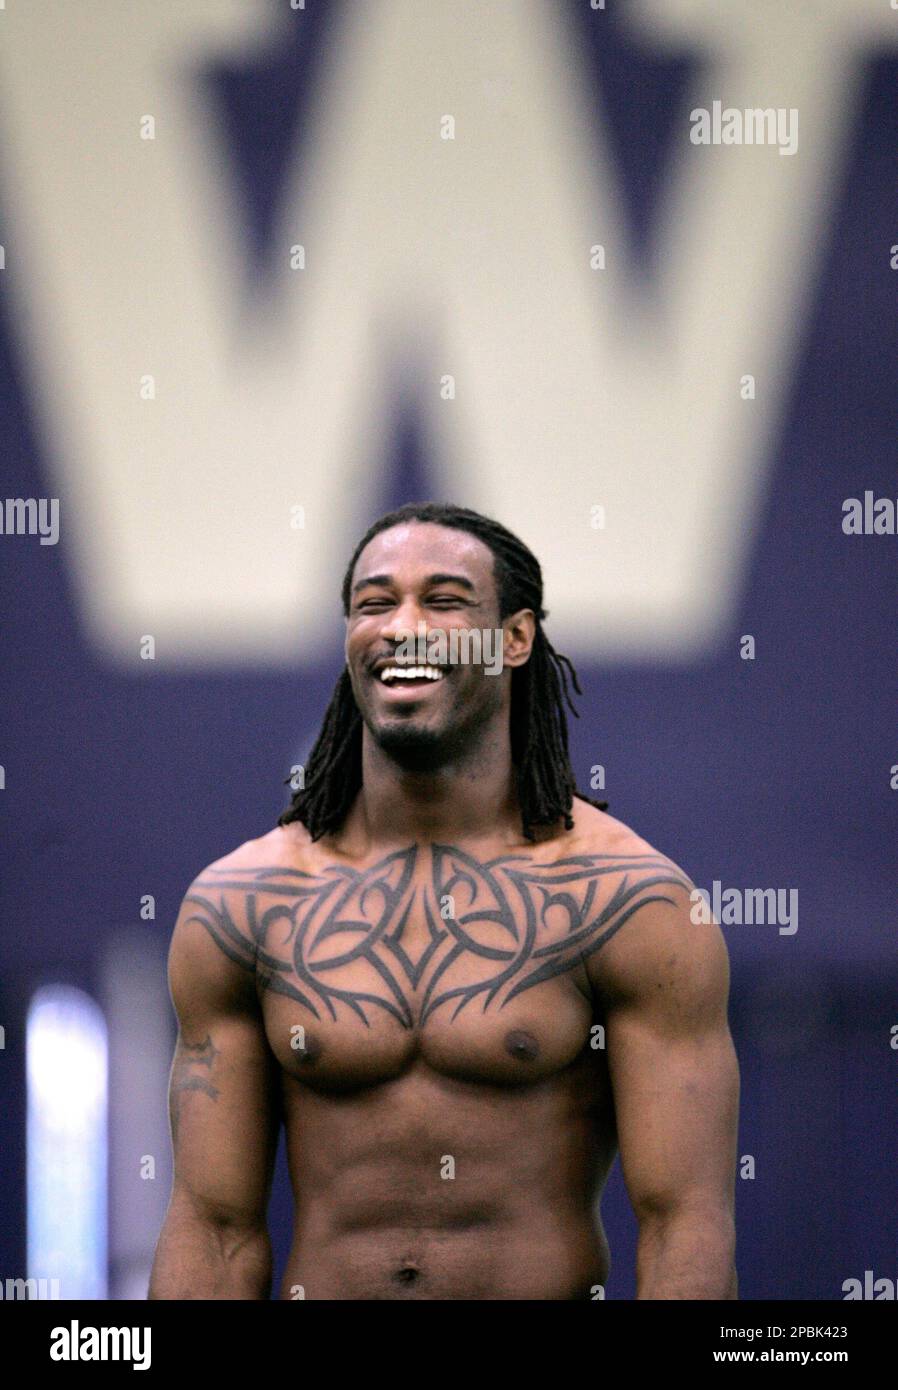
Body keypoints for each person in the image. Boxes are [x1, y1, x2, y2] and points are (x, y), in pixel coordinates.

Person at [149, 501, 739, 1300]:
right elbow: (213, 1230)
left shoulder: (629, 901)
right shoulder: (242, 904)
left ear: (515, 639)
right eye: (374, 603)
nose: (403, 626)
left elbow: (684, 1225)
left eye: (445, 601)